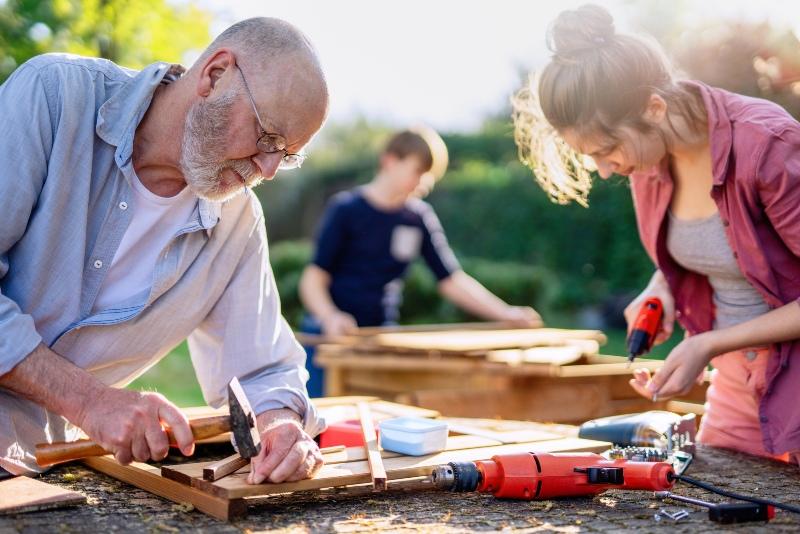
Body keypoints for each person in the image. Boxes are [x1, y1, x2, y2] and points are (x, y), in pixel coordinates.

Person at [0, 17, 329, 483]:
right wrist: (89, 400)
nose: (270, 168)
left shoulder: (235, 221)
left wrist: (280, 421)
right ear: (215, 75)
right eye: (268, 138)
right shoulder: (54, 97)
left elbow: (262, 367)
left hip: (32, 470)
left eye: (288, 155)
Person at [514, 4, 800, 463]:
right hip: (734, 385)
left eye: (607, 151)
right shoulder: (647, 156)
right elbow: (719, 247)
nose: (606, 170)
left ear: (654, 107)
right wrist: (659, 288)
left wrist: (705, 342)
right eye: (591, 158)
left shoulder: (767, 145)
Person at [299, 128, 542, 396]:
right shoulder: (346, 209)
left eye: (429, 175)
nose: (423, 182)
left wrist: (506, 313)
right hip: (328, 338)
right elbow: (313, 279)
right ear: (390, 161)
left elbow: (451, 279)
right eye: (418, 170)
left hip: (380, 339)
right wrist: (330, 316)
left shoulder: (418, 217)